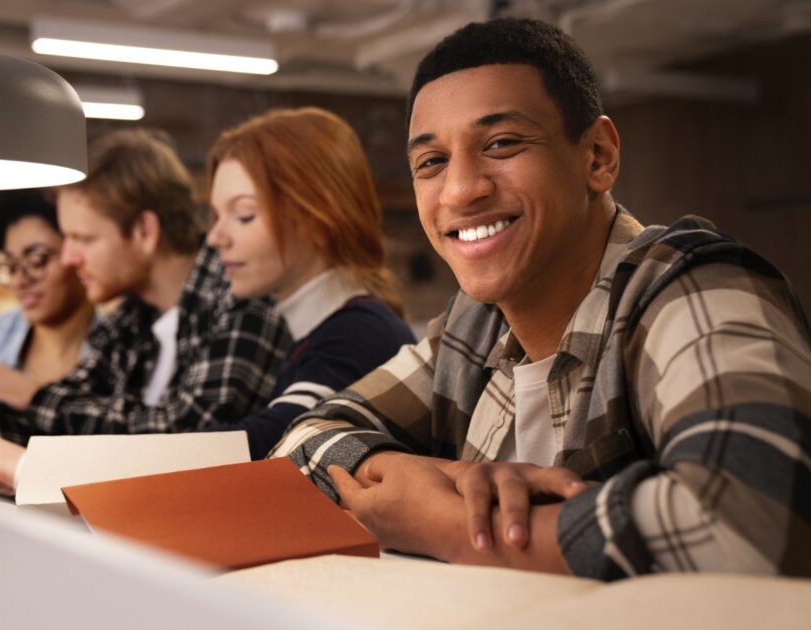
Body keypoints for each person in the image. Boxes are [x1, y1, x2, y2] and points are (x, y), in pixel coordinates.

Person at [269, 17, 811, 579]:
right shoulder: (472, 327)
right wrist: (413, 476)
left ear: (597, 156)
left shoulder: (693, 285)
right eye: (432, 162)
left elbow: (755, 524)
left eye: (502, 143)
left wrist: (447, 526)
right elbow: (302, 439)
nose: (460, 189)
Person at [0, 107, 415, 487]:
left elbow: (262, 447)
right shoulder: (321, 327)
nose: (216, 239)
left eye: (241, 215)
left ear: (316, 218)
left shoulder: (353, 330)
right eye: (217, 216)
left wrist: (38, 463)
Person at [0, 128, 291, 481]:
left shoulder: (239, 299)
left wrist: (31, 395)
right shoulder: (132, 318)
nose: (69, 257)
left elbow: (189, 436)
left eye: (83, 239)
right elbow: (71, 415)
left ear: (144, 231)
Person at [0, 189, 95, 400]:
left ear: (76, 254)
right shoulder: (2, 331)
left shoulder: (116, 346)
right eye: (11, 265)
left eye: (38, 260)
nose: (19, 280)